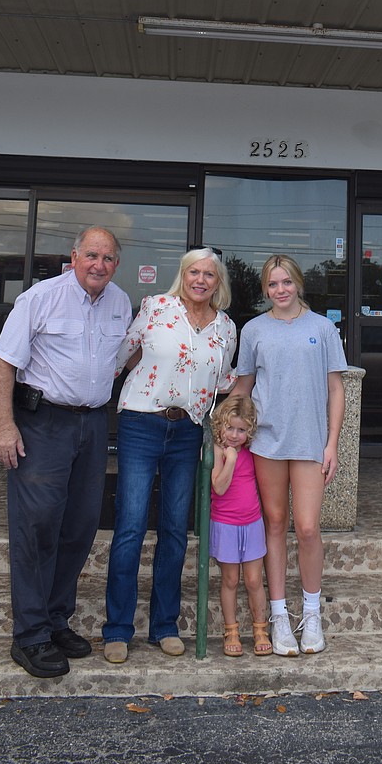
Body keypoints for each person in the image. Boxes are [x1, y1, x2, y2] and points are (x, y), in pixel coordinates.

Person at [0, 226, 131, 678]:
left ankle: (54, 620)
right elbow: (3, 361)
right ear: (75, 256)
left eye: (108, 258)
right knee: (37, 528)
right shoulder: (40, 298)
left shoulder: (121, 303)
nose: (99, 265)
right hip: (43, 424)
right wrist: (4, 424)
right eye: (92, 255)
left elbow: (117, 361)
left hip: (91, 424)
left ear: (116, 264)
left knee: (79, 527)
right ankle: (29, 635)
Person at [102, 247, 236, 665]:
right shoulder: (156, 307)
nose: (200, 280)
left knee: (176, 530)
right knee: (130, 525)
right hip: (142, 422)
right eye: (193, 272)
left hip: (188, 430)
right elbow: (122, 357)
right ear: (183, 275)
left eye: (209, 275)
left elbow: (224, 380)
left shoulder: (227, 328)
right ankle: (118, 629)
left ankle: (164, 625)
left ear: (218, 282)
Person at [232, 254, 346, 657]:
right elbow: (244, 384)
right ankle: (279, 617)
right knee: (275, 522)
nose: (280, 290)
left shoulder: (323, 328)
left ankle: (312, 614)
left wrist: (332, 442)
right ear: (265, 290)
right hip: (267, 441)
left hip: (311, 442)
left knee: (309, 526)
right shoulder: (254, 330)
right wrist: (223, 428)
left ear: (298, 283)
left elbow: (336, 389)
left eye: (286, 282)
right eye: (272, 284)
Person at [209, 395, 271, 657]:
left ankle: (260, 629)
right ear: (220, 425)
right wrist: (230, 460)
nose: (234, 435)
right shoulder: (217, 450)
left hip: (252, 522)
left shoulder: (252, 450)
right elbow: (219, 487)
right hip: (226, 524)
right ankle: (231, 629)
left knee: (255, 580)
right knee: (231, 579)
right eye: (230, 427)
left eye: (242, 430)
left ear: (250, 431)